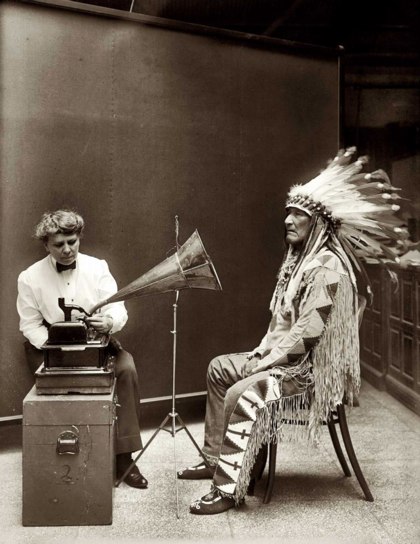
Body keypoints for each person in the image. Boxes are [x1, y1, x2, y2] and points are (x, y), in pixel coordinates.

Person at [178, 147, 405, 515]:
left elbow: (307, 336)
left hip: (307, 373)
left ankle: (226, 489)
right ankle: (214, 458)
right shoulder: (299, 262)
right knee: (220, 368)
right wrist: (260, 353)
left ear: (318, 225)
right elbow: (281, 323)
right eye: (288, 211)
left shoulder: (328, 267)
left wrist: (265, 363)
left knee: (242, 390)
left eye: (298, 214)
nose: (288, 219)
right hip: (283, 361)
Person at [17, 209, 148, 489]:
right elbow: (29, 325)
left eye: (72, 242)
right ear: (46, 245)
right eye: (59, 245)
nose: (67, 250)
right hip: (51, 347)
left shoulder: (98, 267)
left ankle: (124, 457)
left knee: (126, 369)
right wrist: (58, 345)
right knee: (59, 385)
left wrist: (109, 321)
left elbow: (117, 308)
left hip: (95, 341)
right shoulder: (29, 277)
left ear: (79, 238)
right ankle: (66, 458)